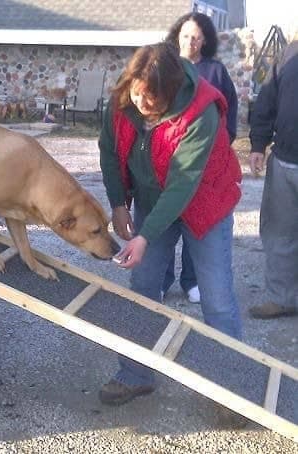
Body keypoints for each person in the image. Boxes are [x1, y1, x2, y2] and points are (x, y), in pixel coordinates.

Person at [98, 42, 242, 406]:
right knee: (144, 286)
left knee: (218, 298)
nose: (142, 105)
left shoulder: (202, 111)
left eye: (153, 101)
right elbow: (109, 150)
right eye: (138, 94)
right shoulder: (123, 97)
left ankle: (230, 390)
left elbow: (182, 185)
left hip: (203, 202)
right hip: (151, 199)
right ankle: (135, 374)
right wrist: (118, 203)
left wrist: (144, 235)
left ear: (173, 92)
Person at [162, 12, 239, 304]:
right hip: (169, 162)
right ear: (177, 36)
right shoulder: (166, 68)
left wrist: (221, 144)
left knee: (199, 221)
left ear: (204, 40)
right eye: (185, 35)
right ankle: (163, 280)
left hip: (206, 165)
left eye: (196, 37)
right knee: (168, 223)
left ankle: (191, 281)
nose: (190, 41)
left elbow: (228, 112)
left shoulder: (216, 71)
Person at [248, 36, 298, 319]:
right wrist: (258, 144)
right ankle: (283, 299)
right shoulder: (289, 53)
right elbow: (266, 101)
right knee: (280, 235)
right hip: (284, 161)